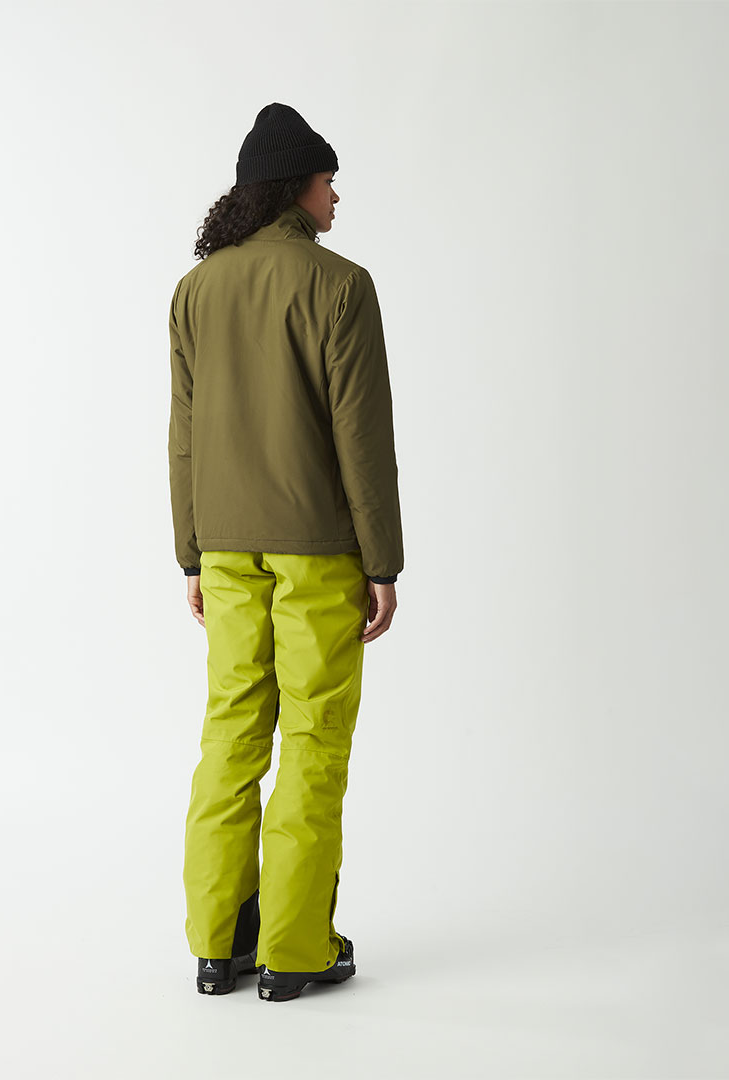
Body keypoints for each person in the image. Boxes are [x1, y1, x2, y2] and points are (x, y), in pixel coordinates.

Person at [168, 102, 404, 1002]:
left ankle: (218, 944)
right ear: (295, 187)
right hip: (318, 552)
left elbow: (183, 435)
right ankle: (296, 952)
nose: (336, 195)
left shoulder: (197, 289)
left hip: (226, 547)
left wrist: (192, 555)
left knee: (231, 732)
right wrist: (382, 564)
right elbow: (362, 441)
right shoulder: (341, 286)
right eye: (327, 180)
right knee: (312, 738)